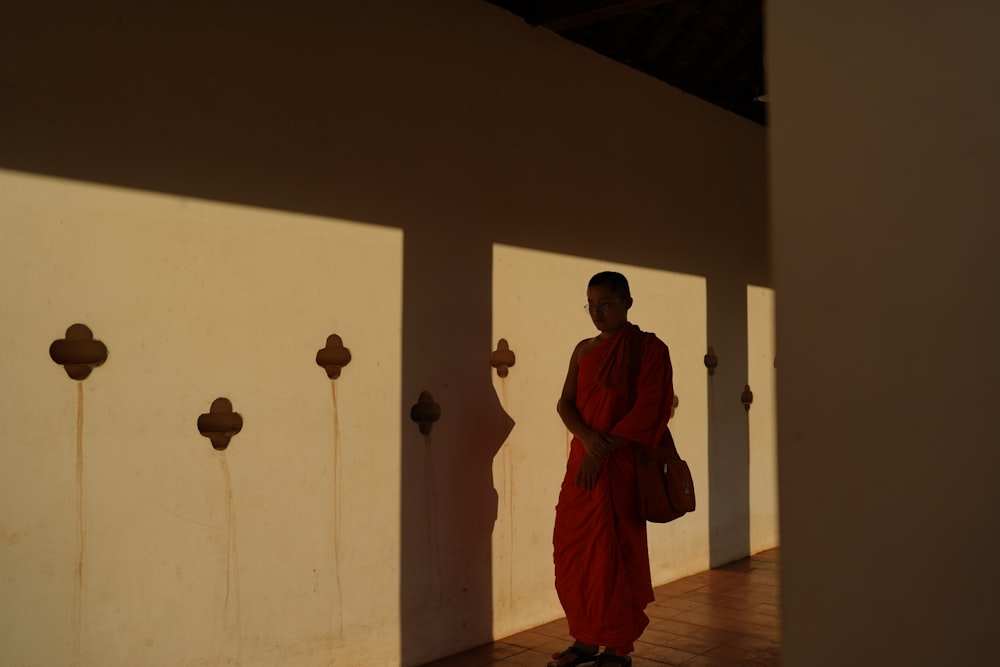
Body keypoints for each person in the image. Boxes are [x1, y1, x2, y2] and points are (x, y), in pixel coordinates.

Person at [549, 271, 674, 667]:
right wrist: (587, 440)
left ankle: (617, 648)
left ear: (627, 303)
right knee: (575, 551)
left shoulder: (649, 349)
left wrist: (601, 451)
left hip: (620, 467)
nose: (597, 312)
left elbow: (651, 409)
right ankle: (585, 639)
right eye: (591, 305)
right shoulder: (584, 350)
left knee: (615, 553)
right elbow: (565, 403)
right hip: (582, 463)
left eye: (605, 304)